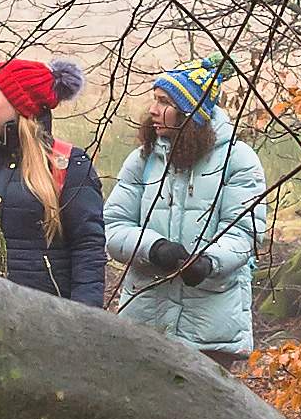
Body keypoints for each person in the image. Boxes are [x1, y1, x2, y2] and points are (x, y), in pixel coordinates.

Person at [101, 67, 267, 364]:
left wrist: (207, 261)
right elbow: (113, 226)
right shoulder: (142, 160)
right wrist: (153, 248)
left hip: (210, 328)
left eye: (164, 102)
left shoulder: (237, 160)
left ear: (191, 112)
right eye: (154, 99)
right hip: (145, 322)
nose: (153, 110)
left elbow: (245, 233)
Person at [0, 56, 106, 306]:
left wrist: (85, 321)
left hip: (45, 315)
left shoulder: (69, 162)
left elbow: (88, 248)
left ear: (19, 104)